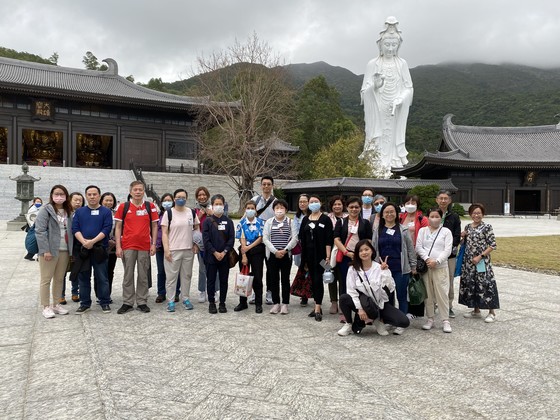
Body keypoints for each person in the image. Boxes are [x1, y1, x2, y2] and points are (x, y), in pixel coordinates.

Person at [361, 16, 413, 171]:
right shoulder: (373, 64)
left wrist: (401, 98)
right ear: (380, 45)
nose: (390, 48)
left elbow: (409, 87)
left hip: (395, 109)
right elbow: (364, 90)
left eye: (394, 45)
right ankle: (376, 164)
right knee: (378, 136)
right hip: (378, 109)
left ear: (398, 46)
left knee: (392, 138)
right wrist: (375, 87)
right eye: (387, 44)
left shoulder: (402, 64)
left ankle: (394, 164)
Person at [338, 239, 410, 336]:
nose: (364, 252)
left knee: (404, 321)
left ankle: (377, 320)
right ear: (357, 254)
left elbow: (390, 288)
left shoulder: (378, 267)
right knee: (344, 298)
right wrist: (360, 309)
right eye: (360, 250)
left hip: (378, 305)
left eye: (366, 249)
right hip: (362, 303)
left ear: (372, 251)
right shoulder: (353, 269)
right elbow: (351, 291)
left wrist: (385, 272)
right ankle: (348, 324)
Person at [114, 181, 159, 314]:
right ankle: (127, 302)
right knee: (128, 275)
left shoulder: (150, 206)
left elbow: (155, 226)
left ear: (144, 191)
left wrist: (153, 244)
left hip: (144, 246)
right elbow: (117, 227)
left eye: (140, 190)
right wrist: (118, 246)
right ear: (130, 191)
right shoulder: (123, 207)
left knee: (143, 275)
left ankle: (142, 301)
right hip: (128, 245)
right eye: (135, 190)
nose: (138, 192)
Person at [372, 202, 416, 335]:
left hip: (400, 268)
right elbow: (374, 249)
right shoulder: (377, 230)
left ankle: (401, 322)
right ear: (382, 214)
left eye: (392, 211)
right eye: (386, 212)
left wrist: (413, 265)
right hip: (383, 269)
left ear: (397, 214)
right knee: (387, 297)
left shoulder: (403, 229)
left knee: (402, 296)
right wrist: (375, 266)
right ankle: (391, 320)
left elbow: (410, 248)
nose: (389, 214)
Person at [71, 185, 113, 314]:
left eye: (95, 194)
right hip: (83, 249)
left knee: (102, 276)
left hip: (99, 248)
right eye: (89, 194)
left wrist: (93, 242)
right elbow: (75, 229)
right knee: (84, 277)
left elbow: (106, 229)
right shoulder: (80, 212)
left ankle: (104, 301)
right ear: (86, 196)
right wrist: (84, 242)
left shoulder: (106, 211)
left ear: (99, 196)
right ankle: (85, 303)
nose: (92, 197)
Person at [35, 185, 73, 319]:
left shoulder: (68, 210)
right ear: (51, 195)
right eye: (56, 194)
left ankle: (56, 304)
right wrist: (45, 250)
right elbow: (39, 231)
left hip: (64, 249)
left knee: (59, 278)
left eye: (62, 194)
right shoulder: (46, 210)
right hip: (50, 250)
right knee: (46, 279)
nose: (59, 196)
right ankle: (46, 306)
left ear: (66, 196)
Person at [333, 196, 373, 322]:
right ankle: (345, 312)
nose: (354, 209)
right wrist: (346, 252)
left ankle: (363, 311)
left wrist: (363, 253)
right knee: (345, 284)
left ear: (360, 208)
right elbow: (336, 239)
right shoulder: (341, 222)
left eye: (356, 207)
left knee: (362, 283)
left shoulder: (365, 223)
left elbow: (369, 240)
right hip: (345, 257)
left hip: (361, 257)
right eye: (351, 207)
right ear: (347, 208)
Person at [459, 203, 499, 323]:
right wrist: (462, 237)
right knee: (472, 283)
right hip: (469, 262)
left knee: (485, 284)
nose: (476, 215)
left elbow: (493, 245)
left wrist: (480, 256)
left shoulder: (487, 227)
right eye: (474, 213)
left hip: (481, 261)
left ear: (483, 214)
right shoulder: (467, 227)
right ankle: (476, 310)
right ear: (470, 214)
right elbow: (463, 244)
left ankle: (492, 312)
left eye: (479, 213)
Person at [161, 188, 200, 312]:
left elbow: (197, 228)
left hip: (188, 249)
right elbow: (164, 233)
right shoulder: (169, 213)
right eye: (178, 197)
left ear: (186, 199)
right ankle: (171, 301)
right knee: (171, 277)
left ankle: (186, 299)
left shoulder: (191, 212)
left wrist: (196, 244)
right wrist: (166, 249)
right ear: (174, 199)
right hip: (173, 250)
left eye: (183, 197)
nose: (181, 199)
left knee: (186, 276)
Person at [416, 208, 453, 333]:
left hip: (440, 267)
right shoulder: (423, 230)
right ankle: (430, 318)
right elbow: (419, 247)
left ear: (441, 218)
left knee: (442, 293)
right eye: (432, 216)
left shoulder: (446, 232)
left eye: (437, 216)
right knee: (428, 294)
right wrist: (427, 259)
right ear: (428, 217)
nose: (434, 218)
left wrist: (436, 261)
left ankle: (445, 320)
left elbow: (447, 249)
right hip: (427, 267)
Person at [299, 195, 333, 322]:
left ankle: (318, 308)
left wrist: (328, 256)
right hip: (308, 256)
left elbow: (329, 239)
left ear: (320, 203)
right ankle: (316, 305)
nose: (313, 204)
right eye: (311, 202)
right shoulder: (305, 219)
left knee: (319, 280)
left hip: (322, 256)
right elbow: (302, 238)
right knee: (313, 280)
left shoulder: (325, 219)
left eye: (316, 201)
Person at [263, 199, 298, 315]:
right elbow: (265, 238)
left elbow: (295, 238)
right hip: (273, 256)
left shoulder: (290, 222)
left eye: (282, 207)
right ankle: (275, 303)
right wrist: (274, 251)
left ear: (286, 209)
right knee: (273, 279)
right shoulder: (269, 222)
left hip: (285, 255)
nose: (279, 210)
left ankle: (285, 304)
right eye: (277, 208)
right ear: (273, 210)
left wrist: (285, 250)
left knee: (285, 279)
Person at [202, 194, 235, 314]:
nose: (218, 206)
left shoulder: (229, 221)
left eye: (220, 204)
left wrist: (224, 251)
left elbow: (231, 239)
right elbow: (206, 240)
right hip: (211, 256)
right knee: (210, 280)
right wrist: (215, 252)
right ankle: (211, 303)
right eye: (216, 204)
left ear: (224, 205)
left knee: (223, 280)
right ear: (212, 205)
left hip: (225, 257)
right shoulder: (207, 221)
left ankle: (222, 303)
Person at [399, 194, 429, 319]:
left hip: (416, 253)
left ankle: (416, 310)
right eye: (408, 202)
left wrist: (417, 252)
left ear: (417, 204)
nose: (410, 205)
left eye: (413, 202)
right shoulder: (401, 217)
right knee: (404, 281)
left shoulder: (422, 219)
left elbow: (425, 237)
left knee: (415, 281)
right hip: (402, 252)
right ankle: (405, 308)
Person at [234, 200, 266, 313]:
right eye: (248, 208)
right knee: (243, 277)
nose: (250, 210)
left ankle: (258, 303)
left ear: (256, 210)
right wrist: (244, 254)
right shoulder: (241, 223)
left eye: (252, 208)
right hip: (244, 251)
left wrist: (249, 247)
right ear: (245, 210)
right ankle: (242, 302)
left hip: (257, 251)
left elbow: (261, 238)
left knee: (257, 277)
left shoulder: (261, 223)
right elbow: (242, 238)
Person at [251, 176, 277, 306]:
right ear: (260, 186)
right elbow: (247, 217)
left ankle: (270, 292)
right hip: (256, 240)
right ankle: (256, 292)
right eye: (264, 184)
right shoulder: (255, 200)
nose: (266, 186)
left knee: (271, 268)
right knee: (256, 268)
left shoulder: (276, 202)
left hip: (271, 240)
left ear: (272, 186)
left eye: (268, 184)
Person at [436, 190, 461, 318]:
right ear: (437, 200)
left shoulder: (454, 216)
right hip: (434, 254)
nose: (443, 201)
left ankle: (449, 305)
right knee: (433, 279)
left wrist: (448, 248)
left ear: (450, 200)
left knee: (449, 280)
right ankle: (434, 303)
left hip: (449, 255)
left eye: (446, 198)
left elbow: (457, 235)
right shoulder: (433, 214)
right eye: (441, 198)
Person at [155, 193, 179, 303]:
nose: (167, 202)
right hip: (160, 246)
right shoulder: (158, 215)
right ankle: (161, 292)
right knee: (161, 271)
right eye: (165, 200)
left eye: (169, 200)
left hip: (174, 246)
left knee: (175, 271)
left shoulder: (176, 214)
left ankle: (176, 292)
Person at [61, 192, 84, 303]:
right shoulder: (64, 214)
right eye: (75, 200)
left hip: (77, 247)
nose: (78, 202)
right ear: (70, 201)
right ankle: (61, 295)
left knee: (76, 271)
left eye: (80, 200)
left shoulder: (83, 213)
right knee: (62, 272)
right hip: (65, 246)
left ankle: (75, 292)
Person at [326, 195, 347, 315]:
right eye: (335, 204)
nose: (337, 206)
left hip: (343, 251)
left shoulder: (348, 217)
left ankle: (342, 302)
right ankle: (333, 302)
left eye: (339, 204)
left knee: (343, 277)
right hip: (327, 252)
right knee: (330, 276)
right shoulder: (326, 218)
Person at [292, 193, 310, 306]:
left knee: (315, 270)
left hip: (313, 247)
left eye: (304, 201)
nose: (302, 204)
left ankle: (313, 294)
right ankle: (304, 295)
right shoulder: (296, 217)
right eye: (300, 202)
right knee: (302, 269)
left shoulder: (315, 215)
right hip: (300, 247)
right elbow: (295, 232)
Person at [100, 192, 118, 299]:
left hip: (113, 247)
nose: (108, 202)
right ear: (102, 201)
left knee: (110, 271)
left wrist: (115, 240)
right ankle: (99, 294)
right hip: (100, 245)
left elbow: (119, 228)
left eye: (110, 200)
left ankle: (107, 294)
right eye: (106, 200)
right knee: (100, 271)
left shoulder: (116, 213)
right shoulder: (97, 212)